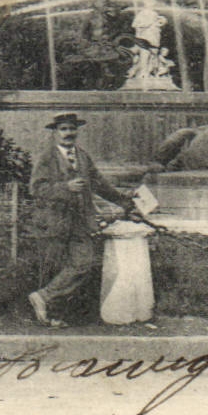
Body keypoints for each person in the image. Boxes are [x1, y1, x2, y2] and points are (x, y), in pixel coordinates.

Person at [27, 112, 136, 328]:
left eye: (72, 129)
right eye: (64, 129)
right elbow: (36, 188)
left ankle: (43, 297)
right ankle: (52, 316)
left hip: (80, 220)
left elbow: (99, 184)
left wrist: (124, 202)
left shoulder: (83, 157)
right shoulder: (46, 157)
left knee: (83, 264)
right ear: (55, 133)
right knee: (55, 266)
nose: (69, 133)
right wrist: (64, 187)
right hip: (54, 220)